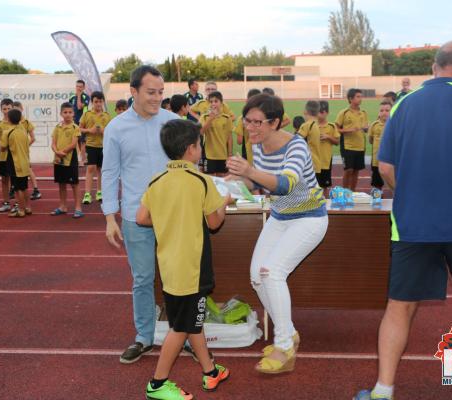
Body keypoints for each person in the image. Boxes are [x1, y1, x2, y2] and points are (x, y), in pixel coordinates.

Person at [354, 40, 452, 400]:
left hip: (413, 223)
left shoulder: (403, 104)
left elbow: (387, 167)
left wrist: (414, 193)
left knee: (400, 306)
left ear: (436, 66)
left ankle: (383, 389)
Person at [227, 93, 328, 374]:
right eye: (247, 121)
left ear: (275, 122)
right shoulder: (257, 143)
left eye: (257, 122)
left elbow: (284, 184)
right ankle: (289, 333)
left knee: (271, 272)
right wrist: (233, 178)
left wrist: (249, 170)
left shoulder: (296, 146)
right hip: (281, 216)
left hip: (309, 218)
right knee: (256, 276)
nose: (250, 127)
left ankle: (284, 347)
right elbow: (255, 179)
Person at [137, 119, 231, 400]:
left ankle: (210, 371)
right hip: (192, 268)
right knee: (181, 327)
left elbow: (142, 218)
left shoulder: (156, 180)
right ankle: (157, 384)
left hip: (169, 266)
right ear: (191, 149)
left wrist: (168, 218)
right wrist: (224, 204)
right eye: (199, 144)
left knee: (192, 320)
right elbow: (214, 223)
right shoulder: (201, 181)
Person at [101, 65, 179, 364]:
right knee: (143, 278)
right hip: (137, 217)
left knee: (177, 279)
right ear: (133, 91)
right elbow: (109, 173)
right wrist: (110, 217)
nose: (157, 98)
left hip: (174, 217)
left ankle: (180, 334)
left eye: (161, 92)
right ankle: (144, 338)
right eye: (150, 92)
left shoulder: (174, 123)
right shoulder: (116, 128)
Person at [50, 102, 82, 218]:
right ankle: (63, 206)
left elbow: (74, 144)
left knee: (74, 184)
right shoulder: (57, 127)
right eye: (65, 112)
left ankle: (78, 208)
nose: (67, 115)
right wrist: (57, 152)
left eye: (70, 112)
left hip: (70, 159)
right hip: (58, 159)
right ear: (61, 114)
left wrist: (62, 152)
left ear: (73, 114)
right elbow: (53, 143)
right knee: (61, 183)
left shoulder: (75, 127)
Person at [79, 91, 111, 205]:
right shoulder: (87, 114)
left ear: (103, 102)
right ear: (92, 102)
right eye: (96, 101)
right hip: (90, 146)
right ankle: (87, 194)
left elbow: (111, 132)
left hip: (103, 146)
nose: (98, 104)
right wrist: (89, 130)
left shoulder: (107, 115)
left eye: (100, 101)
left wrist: (104, 131)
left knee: (101, 170)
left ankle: (99, 192)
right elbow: (80, 129)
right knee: (90, 168)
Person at [0, 109, 31, 218]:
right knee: (24, 186)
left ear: (8, 119)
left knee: (17, 188)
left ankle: (21, 210)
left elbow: (3, 148)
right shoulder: (23, 129)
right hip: (25, 161)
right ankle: (27, 207)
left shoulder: (7, 132)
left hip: (14, 162)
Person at [335, 88, 368, 192]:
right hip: (347, 146)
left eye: (361, 96)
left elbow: (365, 129)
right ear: (350, 99)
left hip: (360, 146)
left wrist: (366, 128)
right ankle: (345, 192)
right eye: (358, 97)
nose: (360, 99)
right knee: (348, 170)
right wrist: (348, 130)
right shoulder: (344, 113)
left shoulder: (363, 113)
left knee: (356, 170)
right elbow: (336, 128)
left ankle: (352, 192)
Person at [12, 101, 41, 201]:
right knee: (14, 171)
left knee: (28, 169)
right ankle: (14, 189)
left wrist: (24, 147)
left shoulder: (26, 122)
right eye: (14, 109)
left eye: (17, 109)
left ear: (22, 109)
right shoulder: (11, 122)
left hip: (23, 153)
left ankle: (36, 190)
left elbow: (33, 138)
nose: (16, 111)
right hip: (13, 153)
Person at [199, 91, 233, 175]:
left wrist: (230, 154)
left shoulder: (226, 118)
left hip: (223, 155)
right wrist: (211, 118)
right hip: (209, 155)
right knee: (210, 179)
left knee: (223, 178)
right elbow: (201, 132)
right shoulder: (204, 117)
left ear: (221, 103)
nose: (213, 103)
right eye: (211, 101)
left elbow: (229, 137)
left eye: (216, 101)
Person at [0, 98, 15, 212]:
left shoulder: (18, 123)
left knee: (15, 180)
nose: (6, 111)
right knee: (4, 179)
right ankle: (6, 202)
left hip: (15, 156)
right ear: (1, 110)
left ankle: (17, 204)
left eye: (9, 108)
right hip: (3, 156)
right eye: (4, 109)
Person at [316, 101, 340, 196]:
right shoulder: (312, 126)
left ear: (327, 113)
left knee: (324, 186)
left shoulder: (331, 126)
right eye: (318, 112)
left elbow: (337, 142)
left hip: (326, 161)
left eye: (322, 112)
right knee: (313, 186)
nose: (320, 114)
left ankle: (325, 205)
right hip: (314, 161)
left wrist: (328, 137)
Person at [368, 101, 392, 190]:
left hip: (391, 160)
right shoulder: (374, 125)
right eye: (381, 110)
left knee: (393, 182)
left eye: (387, 110)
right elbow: (370, 140)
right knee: (377, 183)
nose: (384, 112)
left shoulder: (395, 124)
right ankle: (377, 200)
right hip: (377, 160)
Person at [235, 88, 261, 165]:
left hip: (248, 152)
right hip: (265, 152)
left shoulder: (242, 118)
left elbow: (239, 141)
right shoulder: (266, 116)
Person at [69, 79, 91, 166]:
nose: (78, 88)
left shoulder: (86, 97)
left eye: (80, 87)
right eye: (77, 86)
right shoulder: (71, 97)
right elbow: (70, 110)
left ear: (84, 87)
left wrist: (78, 95)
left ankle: (82, 160)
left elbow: (79, 107)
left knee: (82, 142)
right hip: (73, 122)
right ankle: (79, 159)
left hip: (82, 122)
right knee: (75, 141)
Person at [297, 101, 322, 175]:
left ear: (305, 111)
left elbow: (296, 142)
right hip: (315, 162)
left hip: (308, 164)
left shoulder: (307, 125)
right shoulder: (316, 124)